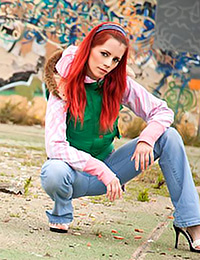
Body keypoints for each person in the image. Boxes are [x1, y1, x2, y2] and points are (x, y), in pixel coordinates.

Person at [41, 22, 200, 252]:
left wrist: (146, 139)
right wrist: (102, 171)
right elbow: (55, 147)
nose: (108, 64)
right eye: (103, 54)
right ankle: (61, 211)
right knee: (53, 171)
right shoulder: (63, 84)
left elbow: (163, 111)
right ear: (88, 49)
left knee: (169, 137)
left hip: (110, 171)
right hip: (72, 175)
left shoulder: (117, 83)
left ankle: (191, 222)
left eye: (115, 60)